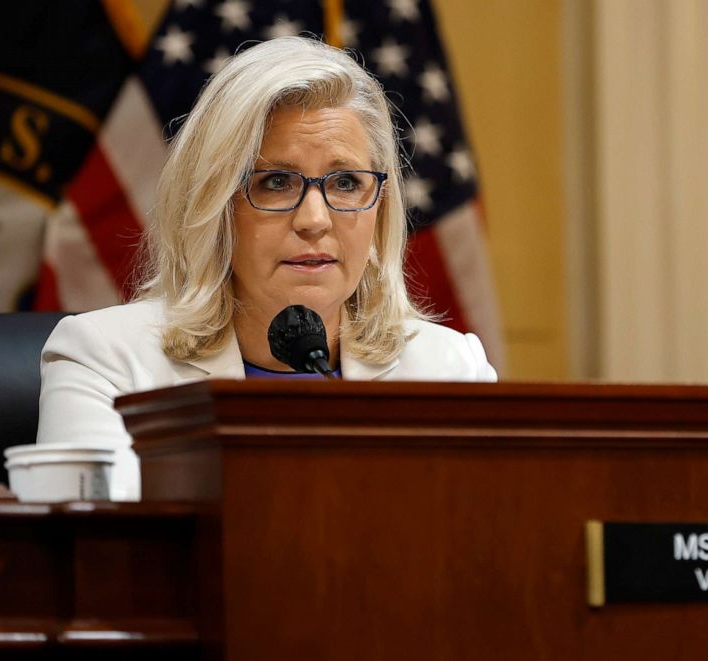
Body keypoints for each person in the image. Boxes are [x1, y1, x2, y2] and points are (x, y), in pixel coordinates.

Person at [36, 37, 498, 501]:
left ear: (380, 212)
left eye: (346, 182)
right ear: (214, 207)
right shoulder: (105, 366)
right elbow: (104, 561)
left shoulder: (451, 371)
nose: (315, 220)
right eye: (276, 182)